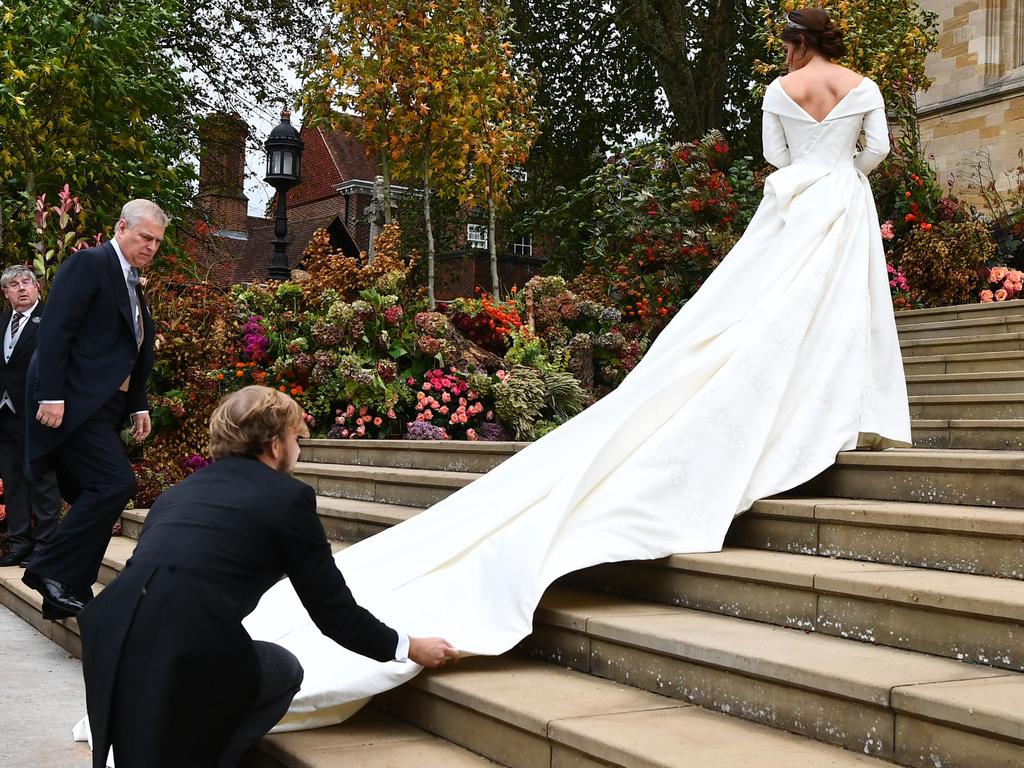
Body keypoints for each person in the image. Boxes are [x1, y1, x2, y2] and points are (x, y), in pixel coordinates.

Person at [140, 5, 915, 737]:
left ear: (796, 44)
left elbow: (777, 158)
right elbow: (874, 153)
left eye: (786, 42)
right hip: (840, 204)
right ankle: (842, 410)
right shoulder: (866, 89)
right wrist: (839, 162)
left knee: (760, 317)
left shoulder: (782, 90)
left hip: (789, 207)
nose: (783, 55)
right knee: (835, 314)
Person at [77, 386, 459, 768]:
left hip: (114, 640)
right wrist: (407, 646)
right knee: (282, 668)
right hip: (183, 648)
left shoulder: (178, 494)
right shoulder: (288, 498)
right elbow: (334, 613)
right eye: (297, 438)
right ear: (275, 445)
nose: (299, 449)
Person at [22, 199, 163, 619]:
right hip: (73, 404)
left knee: (94, 494)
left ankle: (66, 590)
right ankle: (48, 570)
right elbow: (56, 330)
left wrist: (137, 403)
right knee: (114, 485)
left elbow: (133, 347)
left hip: (104, 407)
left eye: (157, 241)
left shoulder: (130, 280)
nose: (152, 247)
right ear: (122, 228)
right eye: (145, 237)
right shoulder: (90, 264)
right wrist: (51, 395)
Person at [0, 266, 61, 567]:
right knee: (13, 482)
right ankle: (20, 544)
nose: (21, 288)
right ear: (6, 293)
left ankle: (46, 546)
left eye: (27, 282)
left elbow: (58, 364)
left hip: (39, 413)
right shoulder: (1, 323)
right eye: (14, 284)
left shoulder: (50, 322)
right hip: (5, 416)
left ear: (37, 287)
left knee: (42, 481)